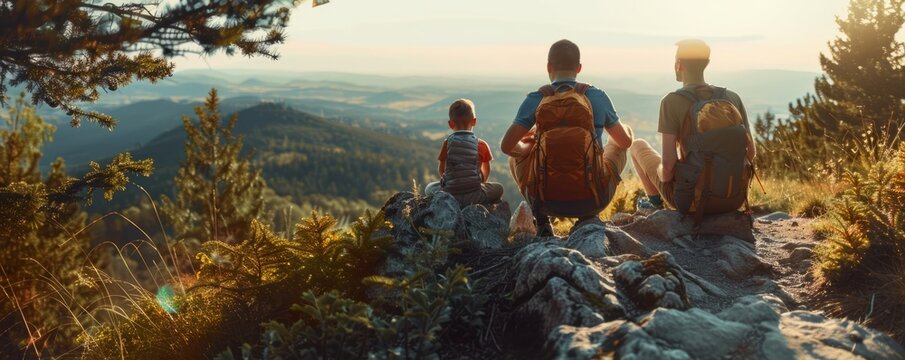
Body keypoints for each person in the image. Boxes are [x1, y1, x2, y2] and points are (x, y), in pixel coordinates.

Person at [500, 39, 634, 237]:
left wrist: (528, 148)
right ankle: (587, 217)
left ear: (548, 67)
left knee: (515, 154)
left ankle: (542, 219)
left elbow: (506, 146)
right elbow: (625, 142)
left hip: (545, 200)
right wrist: (627, 132)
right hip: (593, 199)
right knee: (620, 141)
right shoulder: (597, 96)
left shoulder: (536, 99)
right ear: (579, 68)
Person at [630, 39, 756, 219]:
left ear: (679, 65)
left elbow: (667, 171)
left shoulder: (671, 102)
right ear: (707, 64)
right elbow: (750, 153)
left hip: (691, 202)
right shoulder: (732, 98)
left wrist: (658, 170)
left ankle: (654, 205)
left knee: (637, 146)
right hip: (733, 200)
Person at [424, 99, 504, 207]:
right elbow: (486, 169)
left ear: (450, 124)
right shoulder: (481, 144)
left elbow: (441, 168)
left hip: (450, 195)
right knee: (499, 188)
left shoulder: (447, 143)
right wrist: (482, 183)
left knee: (429, 188)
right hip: (475, 196)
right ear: (474, 121)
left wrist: (448, 182)